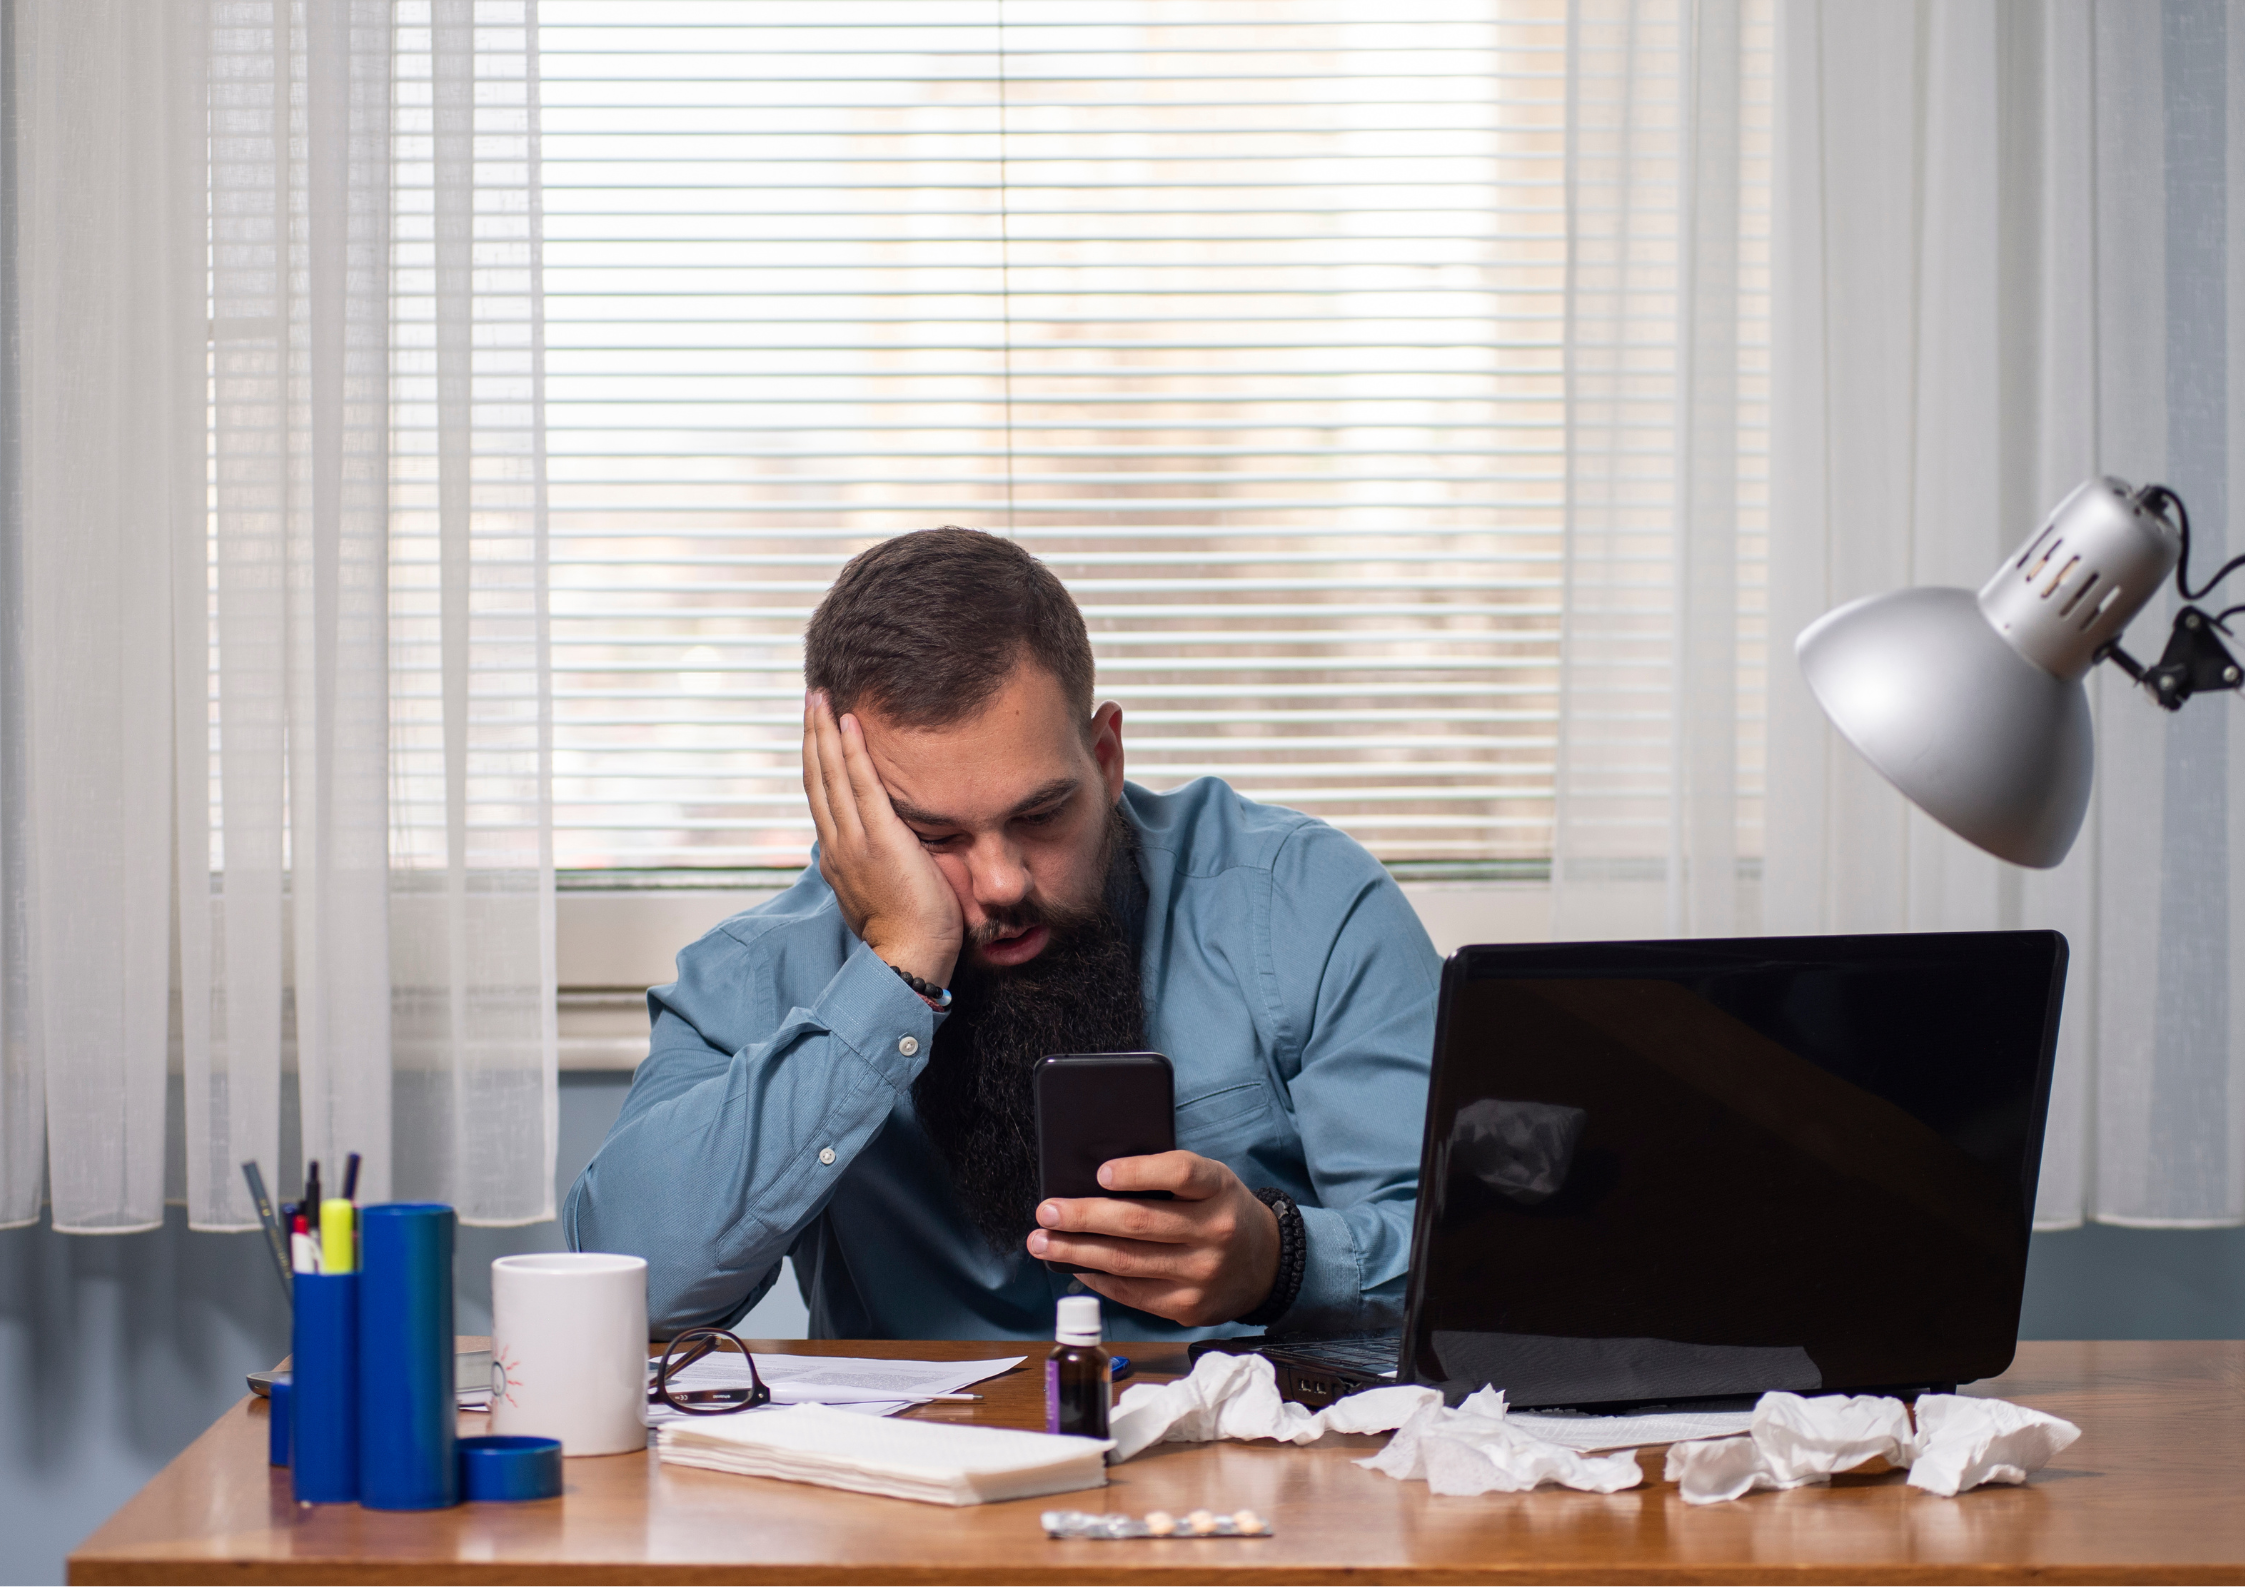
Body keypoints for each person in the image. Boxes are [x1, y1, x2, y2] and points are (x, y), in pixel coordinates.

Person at [565, 529, 1440, 1341]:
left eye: (1042, 813)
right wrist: (894, 971)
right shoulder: (758, 973)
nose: (1001, 883)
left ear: (1104, 759)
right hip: (909, 1492)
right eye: (932, 838)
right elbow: (622, 1288)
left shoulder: (1301, 899)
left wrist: (1278, 1261)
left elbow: (1475, 1259)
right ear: (849, 815)